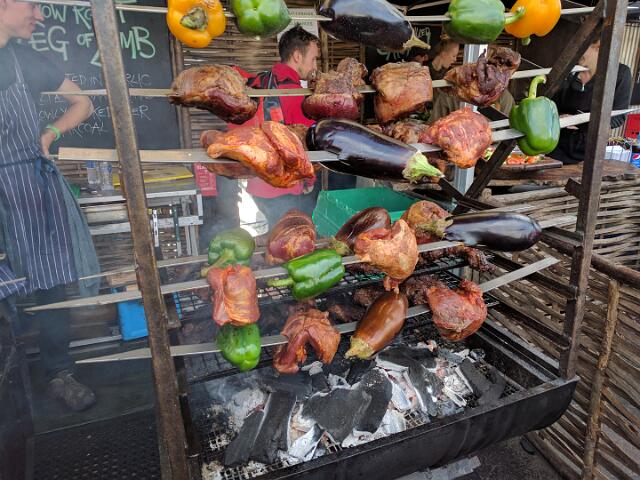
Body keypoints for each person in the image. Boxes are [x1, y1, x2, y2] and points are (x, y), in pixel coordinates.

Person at [0, 0, 100, 412]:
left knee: (51, 282)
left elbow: (83, 102)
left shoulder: (26, 59)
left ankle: (59, 373)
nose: (40, 16)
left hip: (28, 186)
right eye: (33, 5)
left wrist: (49, 133)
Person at [242, 25, 356, 229]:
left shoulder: (261, 81)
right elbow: (307, 147)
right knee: (295, 237)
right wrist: (309, 183)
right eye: (313, 59)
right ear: (297, 56)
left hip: (257, 184)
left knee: (277, 232)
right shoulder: (293, 93)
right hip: (283, 188)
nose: (314, 66)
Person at [550, 39, 632, 164]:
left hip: (590, 149)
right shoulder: (568, 71)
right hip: (555, 144)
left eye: (581, 48)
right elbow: (551, 105)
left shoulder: (620, 73)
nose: (576, 53)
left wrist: (578, 120)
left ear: (598, 47)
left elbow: (618, 117)